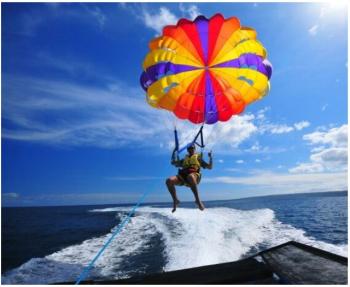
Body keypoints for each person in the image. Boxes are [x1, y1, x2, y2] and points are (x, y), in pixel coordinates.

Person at [166, 144, 213, 213]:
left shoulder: (198, 158)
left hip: (195, 176)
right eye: (189, 148)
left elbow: (209, 167)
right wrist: (174, 151)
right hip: (183, 177)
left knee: (190, 176)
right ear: (187, 150)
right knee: (169, 181)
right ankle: (175, 200)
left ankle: (197, 200)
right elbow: (173, 162)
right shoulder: (184, 159)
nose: (191, 149)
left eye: (192, 148)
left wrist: (210, 158)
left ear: (195, 149)